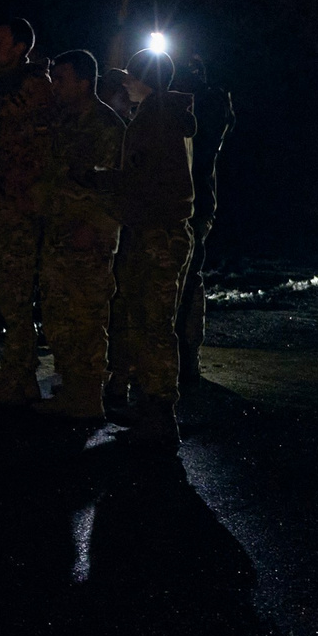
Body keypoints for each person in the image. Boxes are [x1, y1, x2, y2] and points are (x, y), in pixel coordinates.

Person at [98, 48, 197, 446]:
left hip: (158, 232)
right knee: (147, 318)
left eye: (131, 77)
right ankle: (151, 406)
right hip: (161, 230)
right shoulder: (165, 116)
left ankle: (159, 411)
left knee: (155, 323)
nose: (125, 84)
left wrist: (103, 181)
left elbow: (140, 181)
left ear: (144, 80)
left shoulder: (153, 120)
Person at [0, 18, 54, 406]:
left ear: (19, 48)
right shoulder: (5, 85)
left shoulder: (29, 88)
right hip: (4, 196)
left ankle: (16, 379)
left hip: (17, 202)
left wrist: (22, 190)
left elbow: (36, 147)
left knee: (15, 294)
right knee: (10, 292)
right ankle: (23, 379)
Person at [34, 49, 125, 420]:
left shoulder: (106, 126)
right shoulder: (63, 121)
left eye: (63, 78)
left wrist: (96, 227)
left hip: (88, 239)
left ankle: (88, 397)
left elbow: (115, 187)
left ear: (85, 83)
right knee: (58, 315)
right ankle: (71, 387)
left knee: (87, 317)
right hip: (59, 234)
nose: (56, 85)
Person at [177, 55, 237, 390]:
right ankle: (178, 359)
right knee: (181, 281)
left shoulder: (209, 104)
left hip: (194, 202)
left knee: (187, 281)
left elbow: (205, 142)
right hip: (183, 201)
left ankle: (186, 358)